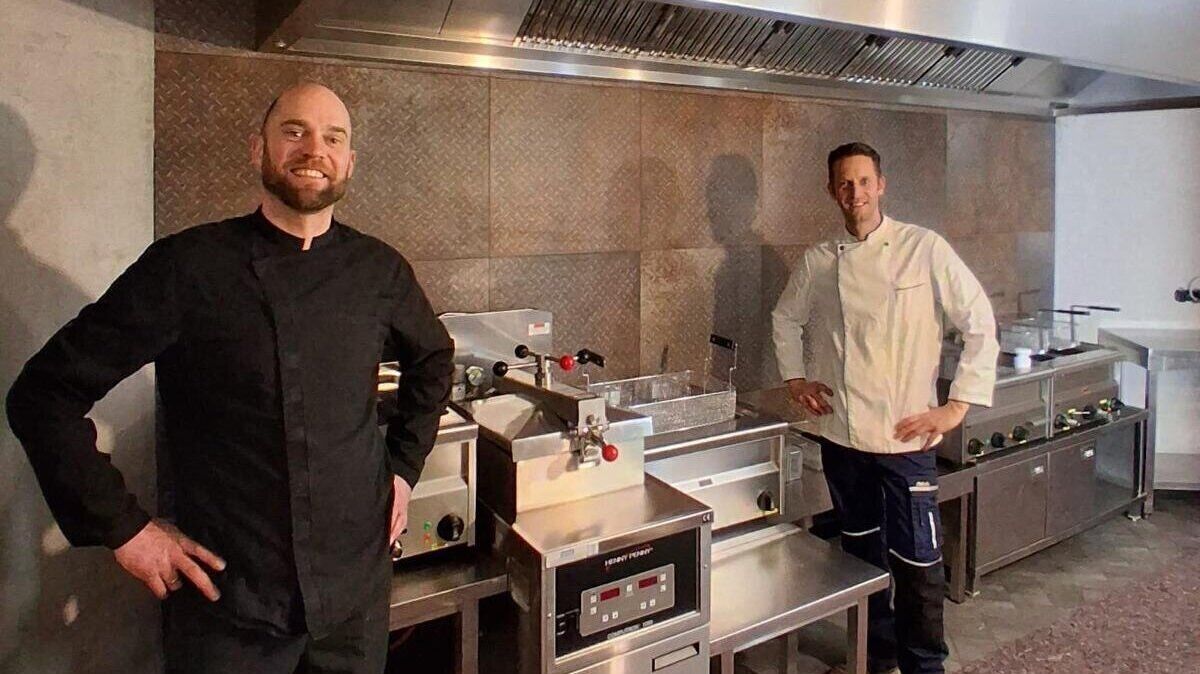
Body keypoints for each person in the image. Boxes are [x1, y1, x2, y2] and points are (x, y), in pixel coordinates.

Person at [6, 82, 455, 673]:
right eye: (294, 131)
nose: (313, 148)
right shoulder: (187, 267)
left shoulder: (380, 270)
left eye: (333, 137)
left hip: (353, 599)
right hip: (229, 608)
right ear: (258, 150)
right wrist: (125, 530)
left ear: (348, 161)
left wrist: (401, 471)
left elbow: (433, 360)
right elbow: (44, 396)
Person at [771, 142, 998, 674]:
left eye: (864, 182)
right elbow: (785, 319)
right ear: (832, 191)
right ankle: (877, 652)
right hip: (842, 435)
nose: (856, 194)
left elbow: (979, 322)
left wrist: (955, 406)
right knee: (859, 554)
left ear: (882, 185)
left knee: (918, 560)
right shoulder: (820, 260)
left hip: (906, 438)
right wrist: (795, 377)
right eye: (845, 184)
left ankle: (924, 664)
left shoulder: (925, 248)